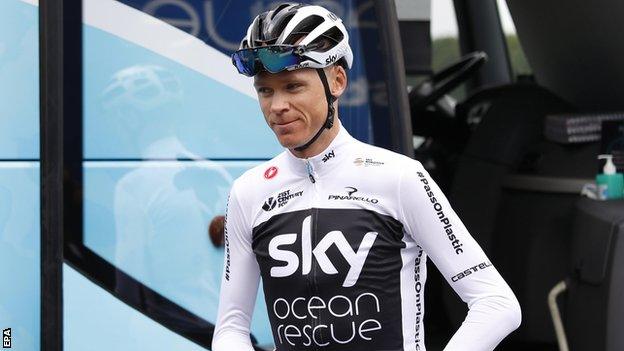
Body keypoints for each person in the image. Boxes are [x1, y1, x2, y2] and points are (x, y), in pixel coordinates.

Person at [212, 3, 521, 351]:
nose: (276, 105)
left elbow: (496, 303)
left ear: (337, 81)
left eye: (292, 86)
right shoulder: (249, 191)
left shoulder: (399, 177)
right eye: (265, 91)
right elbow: (231, 328)